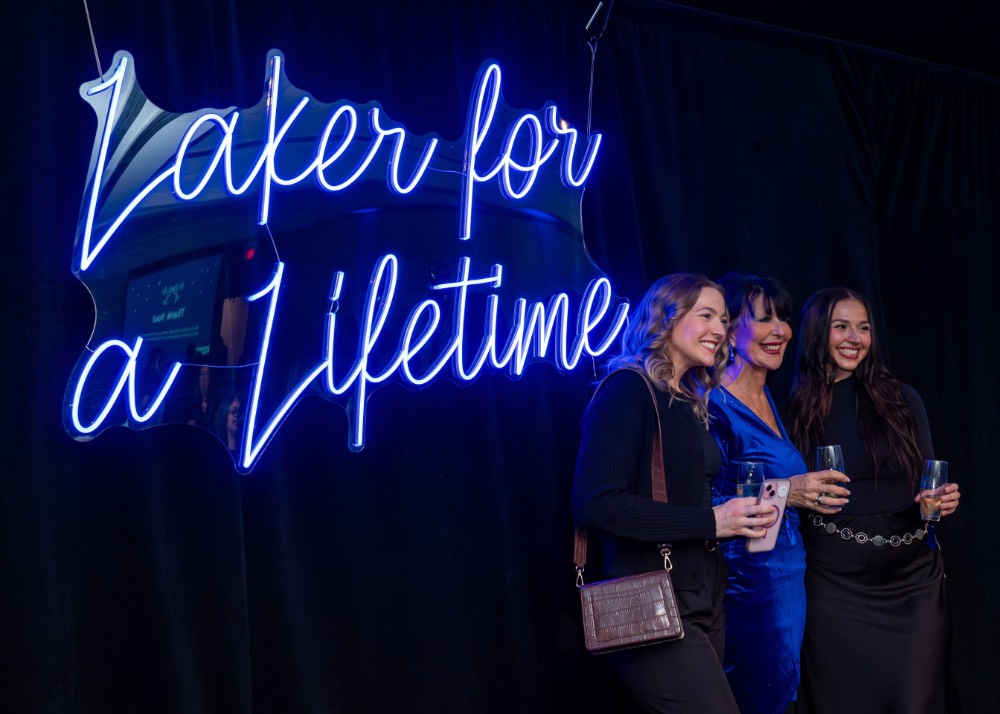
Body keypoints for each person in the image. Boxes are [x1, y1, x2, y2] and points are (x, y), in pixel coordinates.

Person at [572, 273, 776, 713]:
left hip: (703, 603)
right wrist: (711, 521)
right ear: (665, 317)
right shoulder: (627, 389)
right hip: (653, 606)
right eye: (705, 315)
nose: (720, 330)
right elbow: (595, 503)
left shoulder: (686, 400)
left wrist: (731, 514)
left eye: (723, 319)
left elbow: (680, 501)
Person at [785, 287, 961, 713]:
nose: (854, 338)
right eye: (840, 326)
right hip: (833, 586)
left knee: (914, 703)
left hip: (912, 581)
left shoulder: (902, 399)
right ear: (816, 333)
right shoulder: (790, 409)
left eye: (863, 327)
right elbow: (768, 492)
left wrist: (936, 503)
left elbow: (928, 487)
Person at [707, 274, 850, 714]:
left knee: (784, 692)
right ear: (730, 330)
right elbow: (703, 508)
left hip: (787, 578)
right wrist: (791, 490)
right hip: (750, 585)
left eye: (783, 318)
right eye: (765, 318)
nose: (781, 329)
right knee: (758, 697)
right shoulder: (715, 405)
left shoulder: (768, 395)